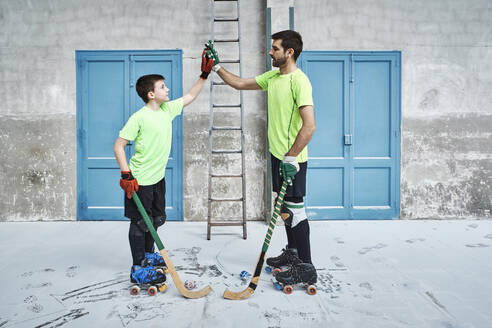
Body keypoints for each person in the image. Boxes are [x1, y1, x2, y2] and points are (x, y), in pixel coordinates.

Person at [207, 30, 317, 284]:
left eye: (275, 48)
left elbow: (309, 126)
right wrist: (217, 67)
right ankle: (293, 253)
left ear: (290, 52)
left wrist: (291, 158)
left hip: (293, 160)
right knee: (286, 210)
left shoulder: (300, 81)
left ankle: (307, 268)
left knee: (296, 211)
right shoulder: (274, 77)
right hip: (279, 156)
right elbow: (240, 83)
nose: (270, 52)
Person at [114, 48, 214, 284]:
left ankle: (149, 255)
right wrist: (126, 175)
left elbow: (190, 96)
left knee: (156, 220)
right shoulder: (138, 117)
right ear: (151, 94)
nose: (167, 89)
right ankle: (137, 267)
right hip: (139, 181)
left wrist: (204, 74)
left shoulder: (167, 110)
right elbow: (119, 146)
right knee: (140, 223)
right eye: (162, 87)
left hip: (157, 178)